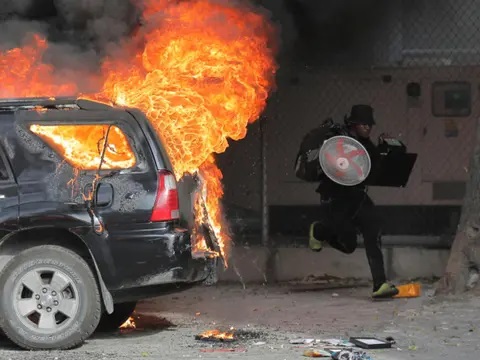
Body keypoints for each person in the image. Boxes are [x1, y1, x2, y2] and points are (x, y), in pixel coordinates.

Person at [308, 104, 399, 299]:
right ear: (353, 123)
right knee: (348, 245)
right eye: (363, 124)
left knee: (373, 227)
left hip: (358, 198)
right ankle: (319, 231)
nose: (367, 127)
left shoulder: (366, 145)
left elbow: (373, 173)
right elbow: (329, 164)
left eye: (369, 124)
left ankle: (380, 284)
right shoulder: (340, 139)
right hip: (337, 199)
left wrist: (384, 149)